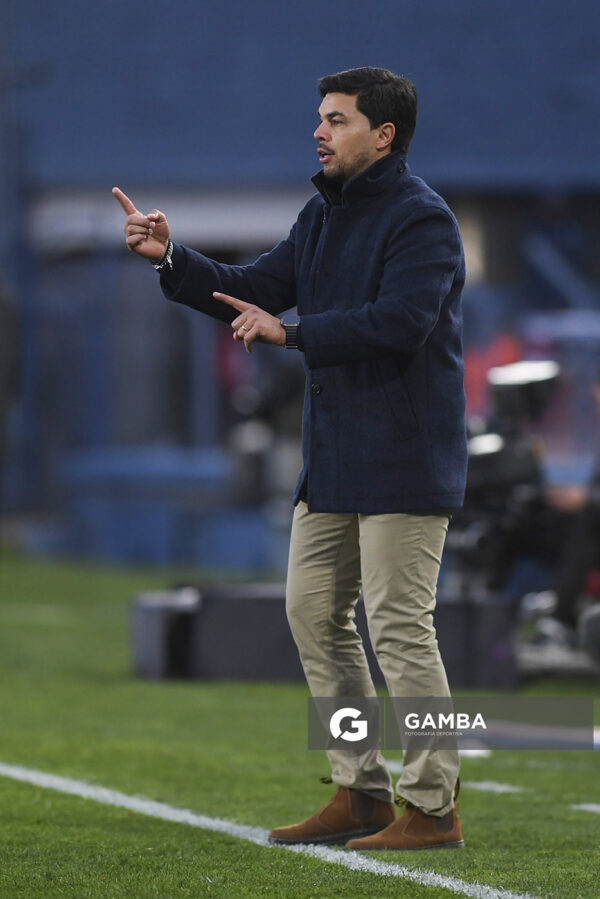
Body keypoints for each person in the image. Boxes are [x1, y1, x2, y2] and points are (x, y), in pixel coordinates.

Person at [113, 66, 467, 851]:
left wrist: (294, 334)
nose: (319, 130)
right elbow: (253, 287)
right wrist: (172, 258)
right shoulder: (321, 216)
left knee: (402, 628)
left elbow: (401, 322)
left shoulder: (424, 220)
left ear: (383, 135)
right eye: (320, 117)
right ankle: (361, 789)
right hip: (336, 457)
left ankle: (434, 805)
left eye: (336, 119)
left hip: (406, 459)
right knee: (312, 613)